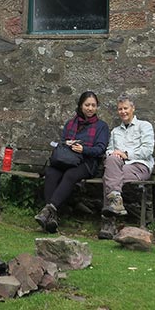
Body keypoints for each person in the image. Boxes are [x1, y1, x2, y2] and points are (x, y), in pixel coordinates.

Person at [34, 91, 109, 233]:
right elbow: (62, 143)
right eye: (87, 105)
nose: (90, 108)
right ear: (81, 106)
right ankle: (51, 219)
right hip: (67, 160)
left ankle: (48, 211)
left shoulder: (101, 126)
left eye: (93, 105)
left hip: (87, 163)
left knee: (70, 174)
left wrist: (83, 149)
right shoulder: (71, 123)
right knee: (51, 173)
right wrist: (67, 143)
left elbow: (100, 149)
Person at [98, 94, 155, 239]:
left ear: (133, 109)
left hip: (139, 166)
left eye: (125, 108)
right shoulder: (115, 131)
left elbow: (148, 150)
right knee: (111, 164)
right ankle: (116, 199)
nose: (122, 111)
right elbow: (109, 149)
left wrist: (126, 154)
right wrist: (115, 154)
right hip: (118, 166)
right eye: (120, 109)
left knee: (110, 177)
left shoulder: (145, 126)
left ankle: (108, 223)